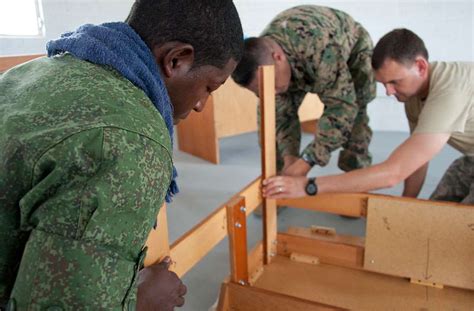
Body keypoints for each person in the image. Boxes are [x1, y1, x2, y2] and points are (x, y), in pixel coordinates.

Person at [0, 0, 243, 309]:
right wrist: (141, 300)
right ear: (177, 60)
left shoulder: (35, 70)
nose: (200, 105)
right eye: (210, 87)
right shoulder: (132, 140)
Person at [262, 28, 474, 205]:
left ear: (420, 66)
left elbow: (394, 172)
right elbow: (417, 159)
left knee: (455, 232)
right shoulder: (414, 93)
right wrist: (406, 205)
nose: (389, 92)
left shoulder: (450, 91)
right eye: (384, 84)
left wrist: (308, 186)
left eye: (395, 82)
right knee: (433, 216)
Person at [232, 5, 376, 179]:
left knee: (355, 115)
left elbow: (341, 107)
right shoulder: (263, 59)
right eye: (259, 92)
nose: (274, 94)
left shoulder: (319, 48)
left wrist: (307, 160)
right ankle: (278, 182)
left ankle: (357, 179)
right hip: (296, 57)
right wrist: (290, 158)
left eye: (272, 87)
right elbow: (281, 118)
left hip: (351, 49)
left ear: (278, 58)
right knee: (271, 118)